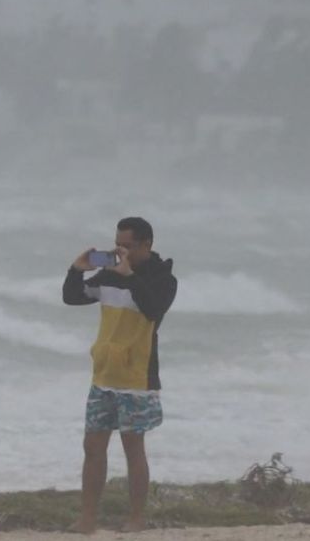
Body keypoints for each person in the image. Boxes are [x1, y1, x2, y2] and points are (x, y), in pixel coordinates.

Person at [62, 216, 177, 534]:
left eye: (127, 246)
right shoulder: (108, 275)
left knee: (132, 447)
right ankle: (87, 519)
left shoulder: (163, 279)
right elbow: (72, 297)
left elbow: (154, 309)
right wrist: (77, 269)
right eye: (117, 245)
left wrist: (130, 276)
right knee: (93, 447)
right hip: (104, 375)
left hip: (137, 378)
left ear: (146, 245)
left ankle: (136, 518)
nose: (120, 251)